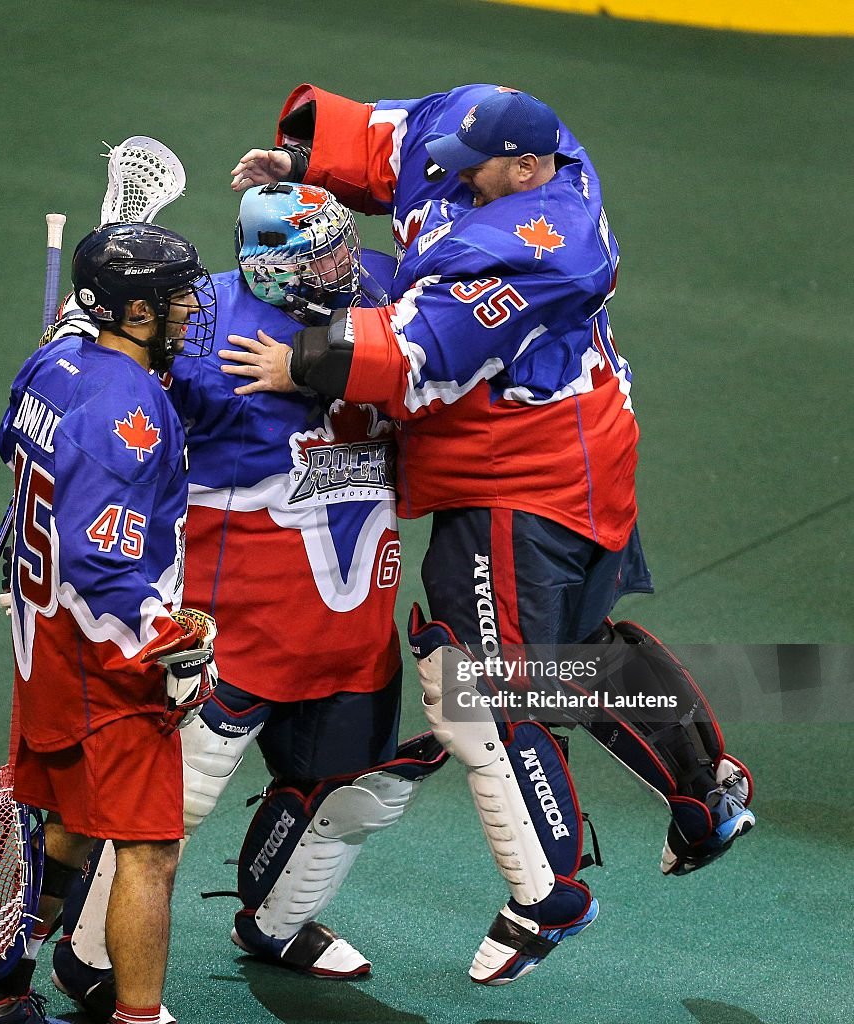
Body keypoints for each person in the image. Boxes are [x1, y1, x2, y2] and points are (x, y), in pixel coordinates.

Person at [226, 84, 756, 985]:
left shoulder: (538, 252)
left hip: (519, 479)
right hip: (586, 450)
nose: (453, 180)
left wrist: (297, 359)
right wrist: (306, 167)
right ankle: (706, 792)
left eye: (475, 174)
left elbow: (412, 359)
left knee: (475, 682)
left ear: (526, 170)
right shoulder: (504, 133)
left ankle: (545, 896)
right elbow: (394, 137)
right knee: (568, 650)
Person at [45, 185, 446, 1023]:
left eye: (343, 247)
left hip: (349, 618)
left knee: (345, 788)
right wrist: (80, 350)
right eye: (320, 256)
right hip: (234, 624)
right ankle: (90, 958)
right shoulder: (193, 328)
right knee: (169, 807)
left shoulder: (381, 289)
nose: (347, 267)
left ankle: (278, 922)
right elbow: (108, 414)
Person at [0, 223, 218, 1024]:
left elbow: (12, 439)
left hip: (42, 650)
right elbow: (101, 559)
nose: (190, 310)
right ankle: (142, 1017)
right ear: (136, 310)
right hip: (104, 659)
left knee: (69, 825)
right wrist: (164, 647)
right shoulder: (129, 406)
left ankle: (1, 998)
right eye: (177, 297)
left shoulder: (52, 362)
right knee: (150, 850)